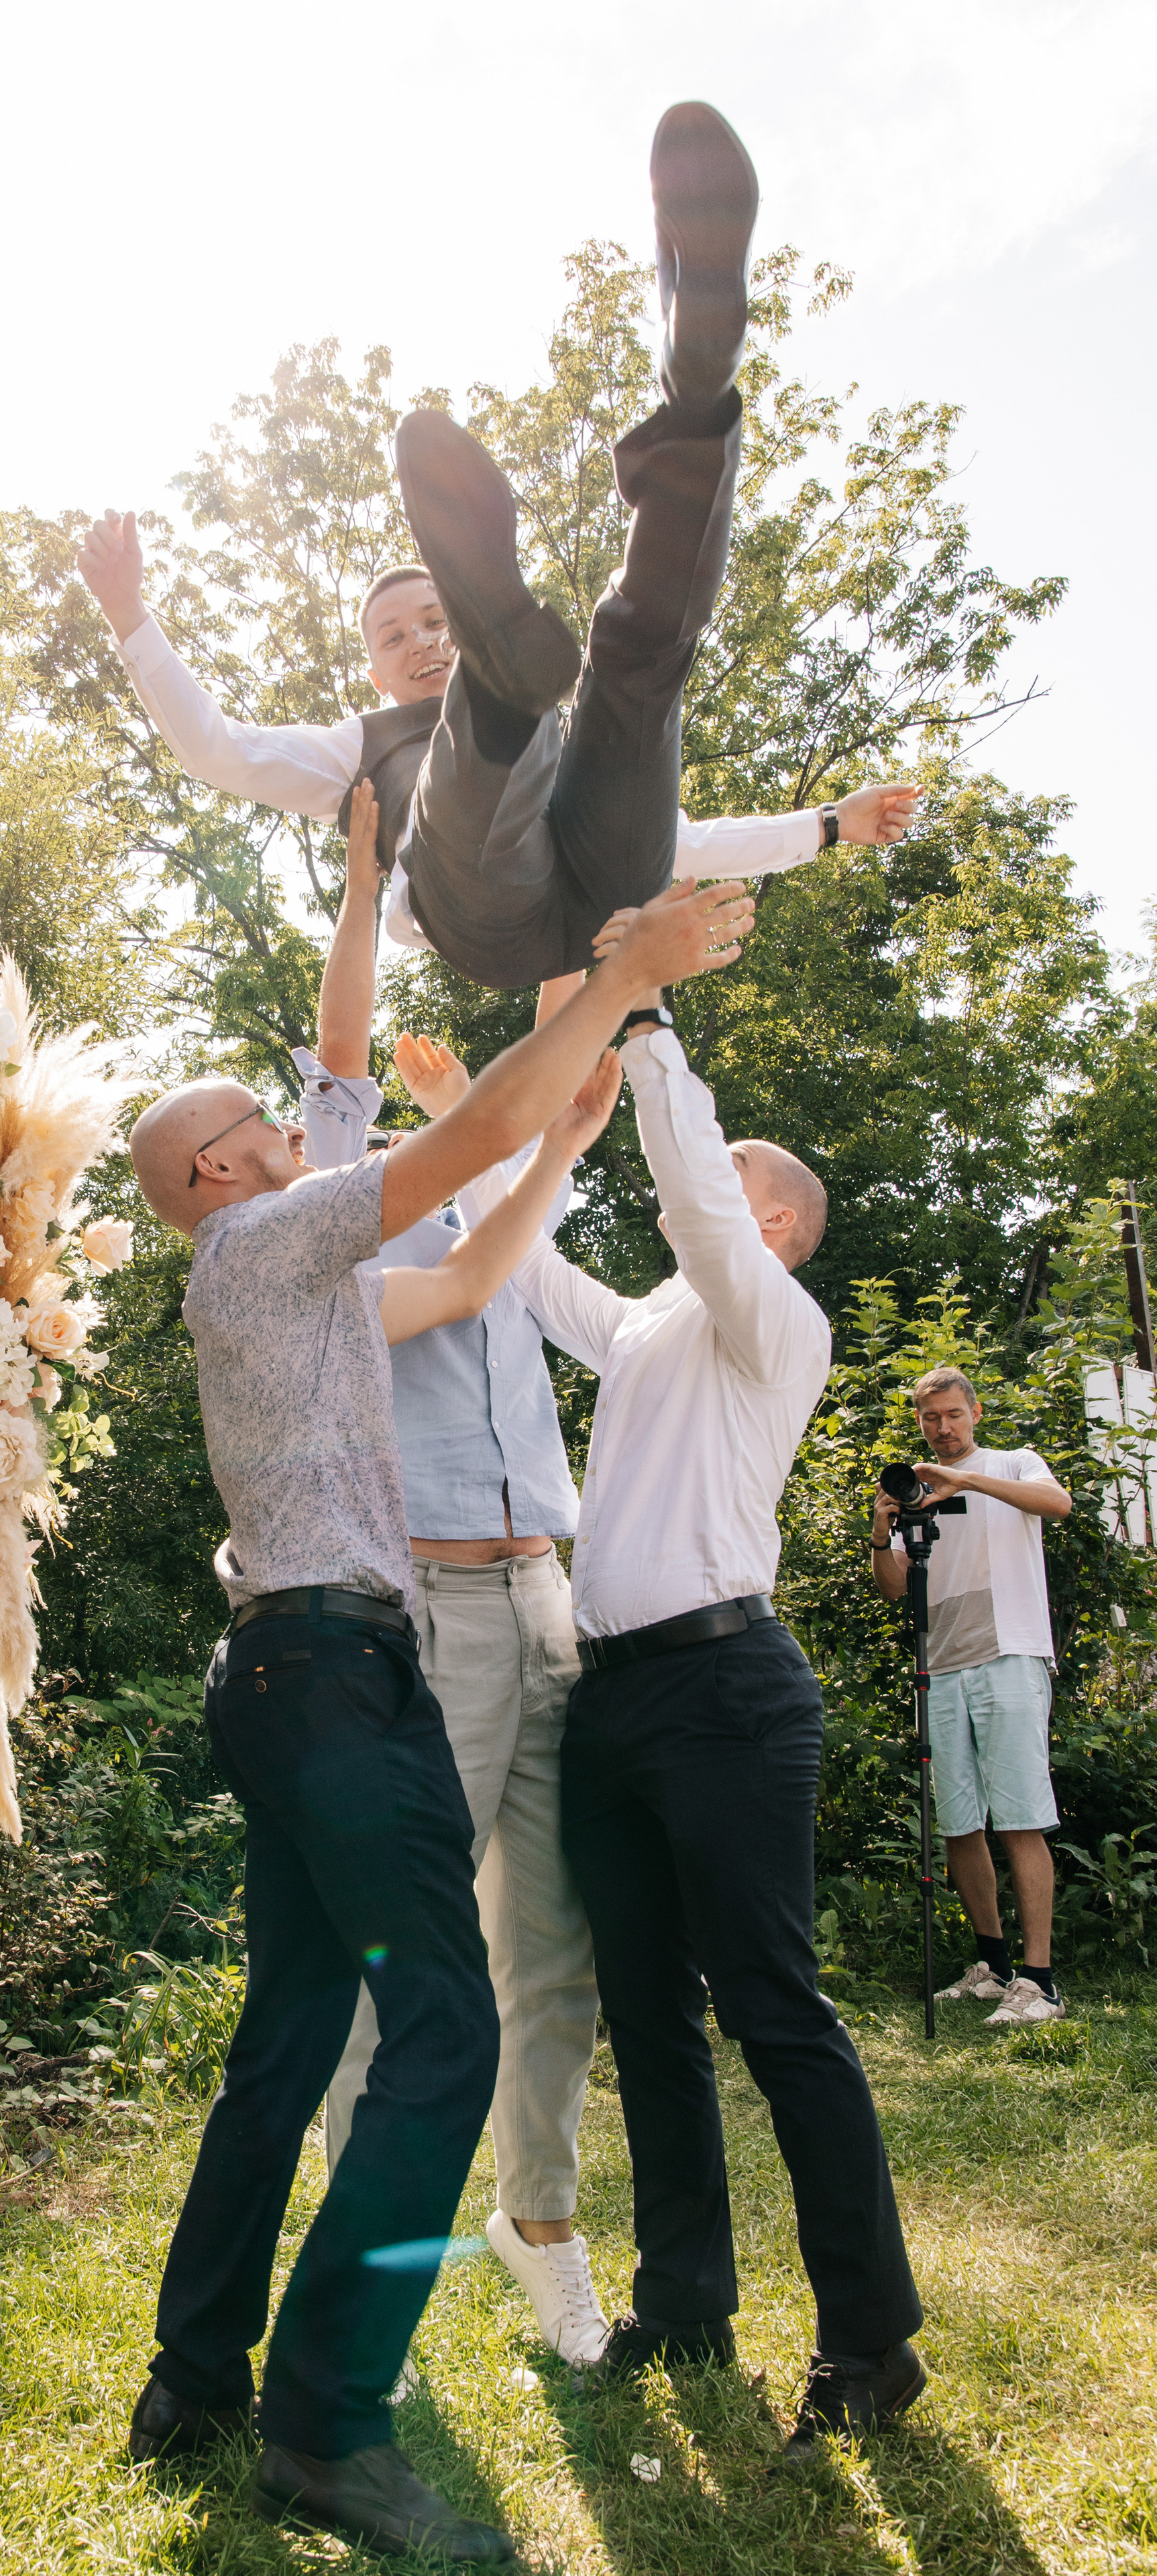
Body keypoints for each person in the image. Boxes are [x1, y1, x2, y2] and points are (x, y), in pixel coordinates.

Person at [121, 877, 752, 2561]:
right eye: (262, 1125)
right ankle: (325, 2421)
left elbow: (471, 1265)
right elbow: (456, 1127)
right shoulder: (261, 1244)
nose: (293, 1129)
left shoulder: (304, 1281)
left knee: (280, 2045)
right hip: (333, 1678)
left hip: (301, 1673)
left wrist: (565, 1131)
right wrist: (618, 976)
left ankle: (193, 2382)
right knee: (446, 2034)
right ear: (213, 1174)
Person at [77, 103, 918, 992]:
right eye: (394, 637)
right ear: (375, 673)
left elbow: (689, 842)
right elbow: (217, 751)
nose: (419, 642)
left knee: (638, 665)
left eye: (435, 620)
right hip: (488, 914)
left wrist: (831, 825)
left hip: (611, 885)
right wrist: (128, 614)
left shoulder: (559, 746)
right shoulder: (352, 751)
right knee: (491, 765)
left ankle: (699, 392)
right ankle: (503, 681)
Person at [472, 902, 926, 2458]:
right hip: (610, 1702)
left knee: (770, 2010)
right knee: (648, 2018)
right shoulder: (651, 1333)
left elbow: (691, 1199)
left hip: (728, 1694)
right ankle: (682, 2301)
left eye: (730, 1185)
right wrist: (477, 1128)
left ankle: (868, 2342)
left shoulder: (769, 1323)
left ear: (773, 1225)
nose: (697, 1196)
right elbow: (528, 1276)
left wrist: (648, 1019)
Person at [300, 782, 612, 2372]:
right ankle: (367, 2265)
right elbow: (342, 1056)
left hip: (548, 1596)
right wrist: (366, 875)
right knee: (400, 1960)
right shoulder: (331, 1223)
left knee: (553, 1950)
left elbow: (550, 1083)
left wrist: (580, 909)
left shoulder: (502, 1198)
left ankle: (538, 2222)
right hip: (428, 1614)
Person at [869, 1366, 1072, 2026]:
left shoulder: (1012, 1463)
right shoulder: (914, 1492)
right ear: (919, 1421)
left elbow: (1058, 1505)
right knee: (959, 1824)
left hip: (1009, 1654)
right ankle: (994, 1966)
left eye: (953, 1414)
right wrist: (881, 1529)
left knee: (1019, 1818)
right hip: (941, 1666)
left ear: (975, 1412)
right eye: (930, 1418)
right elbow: (894, 1588)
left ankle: (1040, 1983)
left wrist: (964, 1480)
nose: (943, 1428)